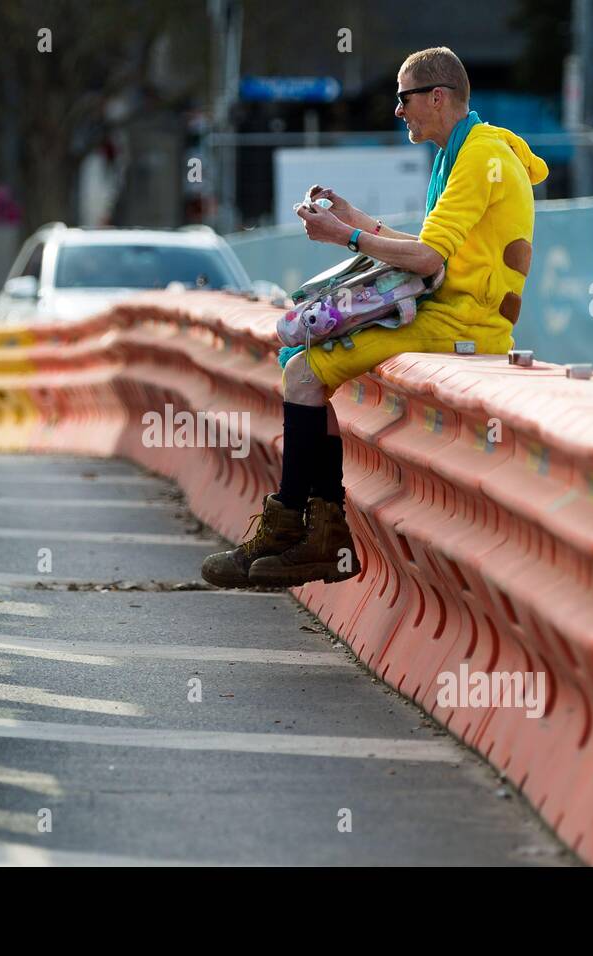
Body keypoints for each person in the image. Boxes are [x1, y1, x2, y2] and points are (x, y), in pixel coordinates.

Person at [202, 46, 549, 590]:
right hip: (451, 310)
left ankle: (299, 527)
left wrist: (346, 237)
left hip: (465, 324)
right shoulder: (461, 153)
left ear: (437, 97)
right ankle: (316, 531)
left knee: (303, 372)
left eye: (402, 98)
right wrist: (356, 219)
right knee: (301, 361)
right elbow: (435, 251)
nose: (397, 110)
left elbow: (430, 261)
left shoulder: (481, 157)